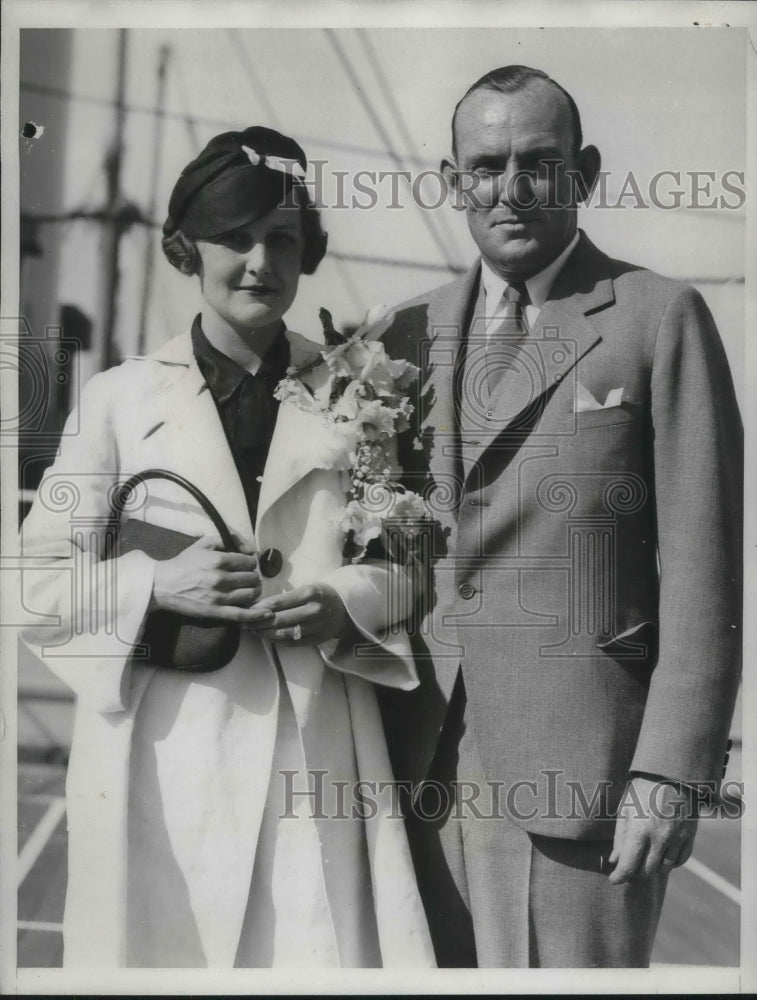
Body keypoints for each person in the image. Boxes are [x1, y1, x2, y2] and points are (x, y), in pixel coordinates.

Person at [19, 126, 435, 969]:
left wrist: (341, 601)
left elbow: (408, 571)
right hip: (160, 762)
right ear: (187, 248)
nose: (259, 262)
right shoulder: (117, 399)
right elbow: (31, 582)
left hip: (314, 754)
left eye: (282, 239)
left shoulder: (358, 390)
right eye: (234, 238)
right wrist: (154, 582)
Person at [376, 66, 742, 967]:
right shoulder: (400, 337)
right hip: (412, 771)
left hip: (585, 784)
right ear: (451, 179)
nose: (509, 188)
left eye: (537, 163)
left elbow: (704, 567)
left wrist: (669, 773)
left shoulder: (657, 320)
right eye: (485, 164)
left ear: (583, 173)